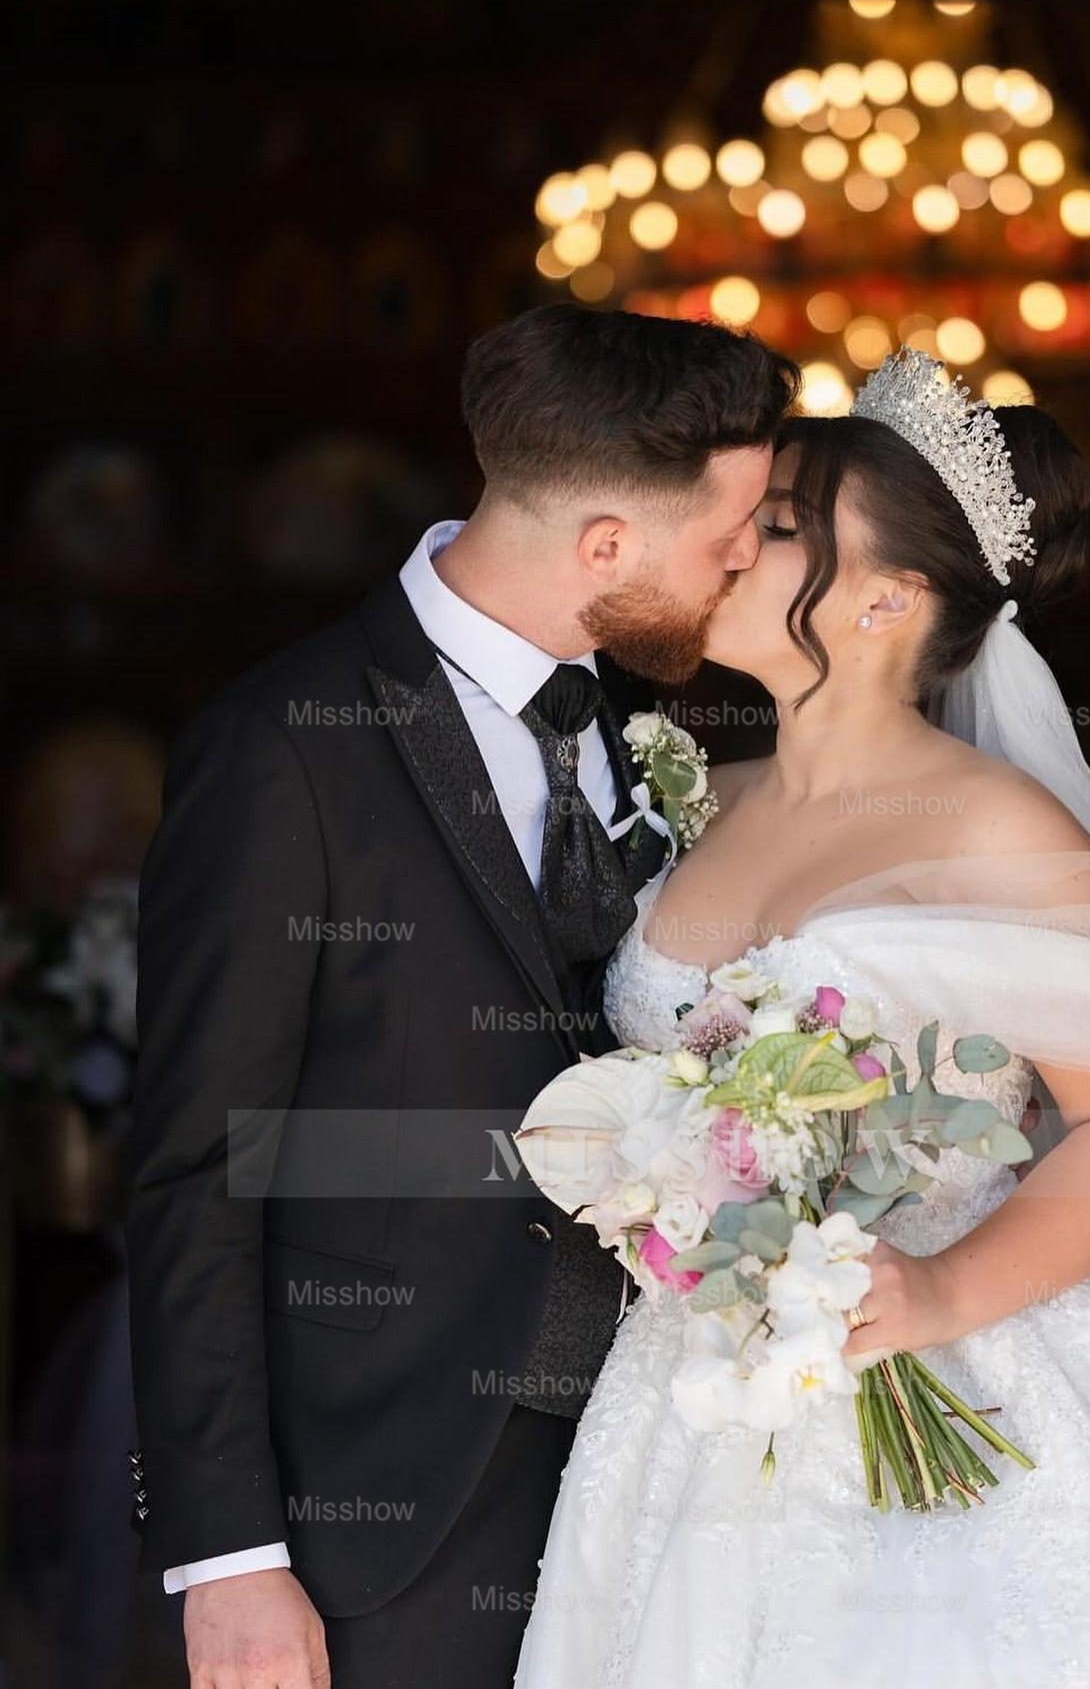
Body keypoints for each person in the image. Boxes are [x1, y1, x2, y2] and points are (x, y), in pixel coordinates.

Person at [513, 348, 1090, 1687]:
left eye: (776, 527)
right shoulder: (698, 793)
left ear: (887, 597)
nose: (724, 541)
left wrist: (941, 1287)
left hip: (967, 1365)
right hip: (692, 1392)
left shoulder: (1003, 831)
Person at [124, 305, 801, 1688]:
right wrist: (233, 1558)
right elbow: (194, 1163)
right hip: (379, 1492)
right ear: (605, 547)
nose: (746, 570)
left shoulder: (639, 730)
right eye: (728, 541)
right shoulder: (280, 747)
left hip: (656, 1459)